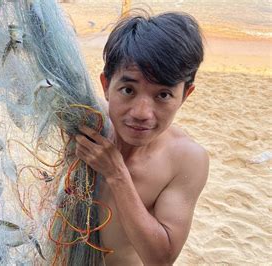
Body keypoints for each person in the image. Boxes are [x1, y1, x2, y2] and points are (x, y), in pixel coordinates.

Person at [74, 11, 209, 265]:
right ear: (105, 85)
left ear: (185, 95)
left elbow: (161, 259)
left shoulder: (186, 159)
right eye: (128, 90)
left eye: (163, 95)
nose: (141, 114)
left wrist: (116, 173)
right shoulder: (85, 124)